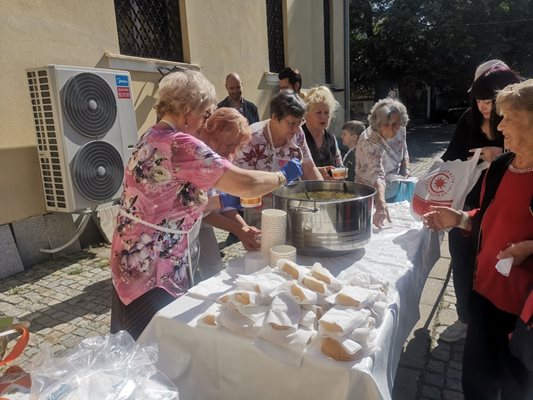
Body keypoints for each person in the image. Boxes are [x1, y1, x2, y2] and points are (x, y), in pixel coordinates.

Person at [109, 70, 303, 340]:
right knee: (151, 349)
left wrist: (233, 216)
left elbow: (177, 201)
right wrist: (283, 176)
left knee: (128, 343)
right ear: (188, 111)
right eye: (204, 114)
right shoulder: (180, 144)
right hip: (152, 268)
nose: (205, 122)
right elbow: (243, 183)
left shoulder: (152, 135)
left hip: (131, 256)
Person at [423, 79, 533, 400]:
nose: (500, 125)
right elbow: (483, 217)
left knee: (518, 390)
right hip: (484, 296)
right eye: (500, 116)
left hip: (523, 311)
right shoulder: (499, 166)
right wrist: (457, 218)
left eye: (510, 117)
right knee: (476, 386)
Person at [439, 60, 522, 343]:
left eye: (491, 101)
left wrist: (497, 153)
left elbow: (519, 158)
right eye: (480, 100)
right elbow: (450, 158)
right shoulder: (468, 119)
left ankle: (491, 321)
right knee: (461, 256)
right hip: (468, 199)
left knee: (491, 262)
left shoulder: (516, 120)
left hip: (500, 203)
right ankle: (465, 316)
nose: (486, 107)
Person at [195, 108, 261, 280]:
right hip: (182, 227)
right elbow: (204, 211)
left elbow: (222, 203)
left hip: (202, 224)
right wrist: (238, 230)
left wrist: (244, 227)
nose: (232, 151)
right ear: (215, 135)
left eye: (236, 146)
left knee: (214, 269)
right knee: (192, 275)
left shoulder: (219, 155)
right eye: (229, 144)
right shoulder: (199, 157)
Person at [355, 98, 410, 228]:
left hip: (392, 185)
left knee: (395, 223)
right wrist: (380, 202)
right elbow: (377, 174)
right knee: (372, 226)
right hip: (370, 190)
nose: (392, 129)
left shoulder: (401, 129)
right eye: (386, 125)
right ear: (377, 124)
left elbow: (404, 149)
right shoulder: (370, 140)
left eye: (395, 124)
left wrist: (406, 169)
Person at [300, 85, 343, 178]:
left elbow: (340, 167)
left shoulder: (332, 139)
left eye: (326, 112)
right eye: (318, 112)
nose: (323, 117)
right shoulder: (297, 137)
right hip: (304, 191)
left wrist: (338, 174)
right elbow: (288, 174)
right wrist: (316, 172)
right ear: (306, 114)